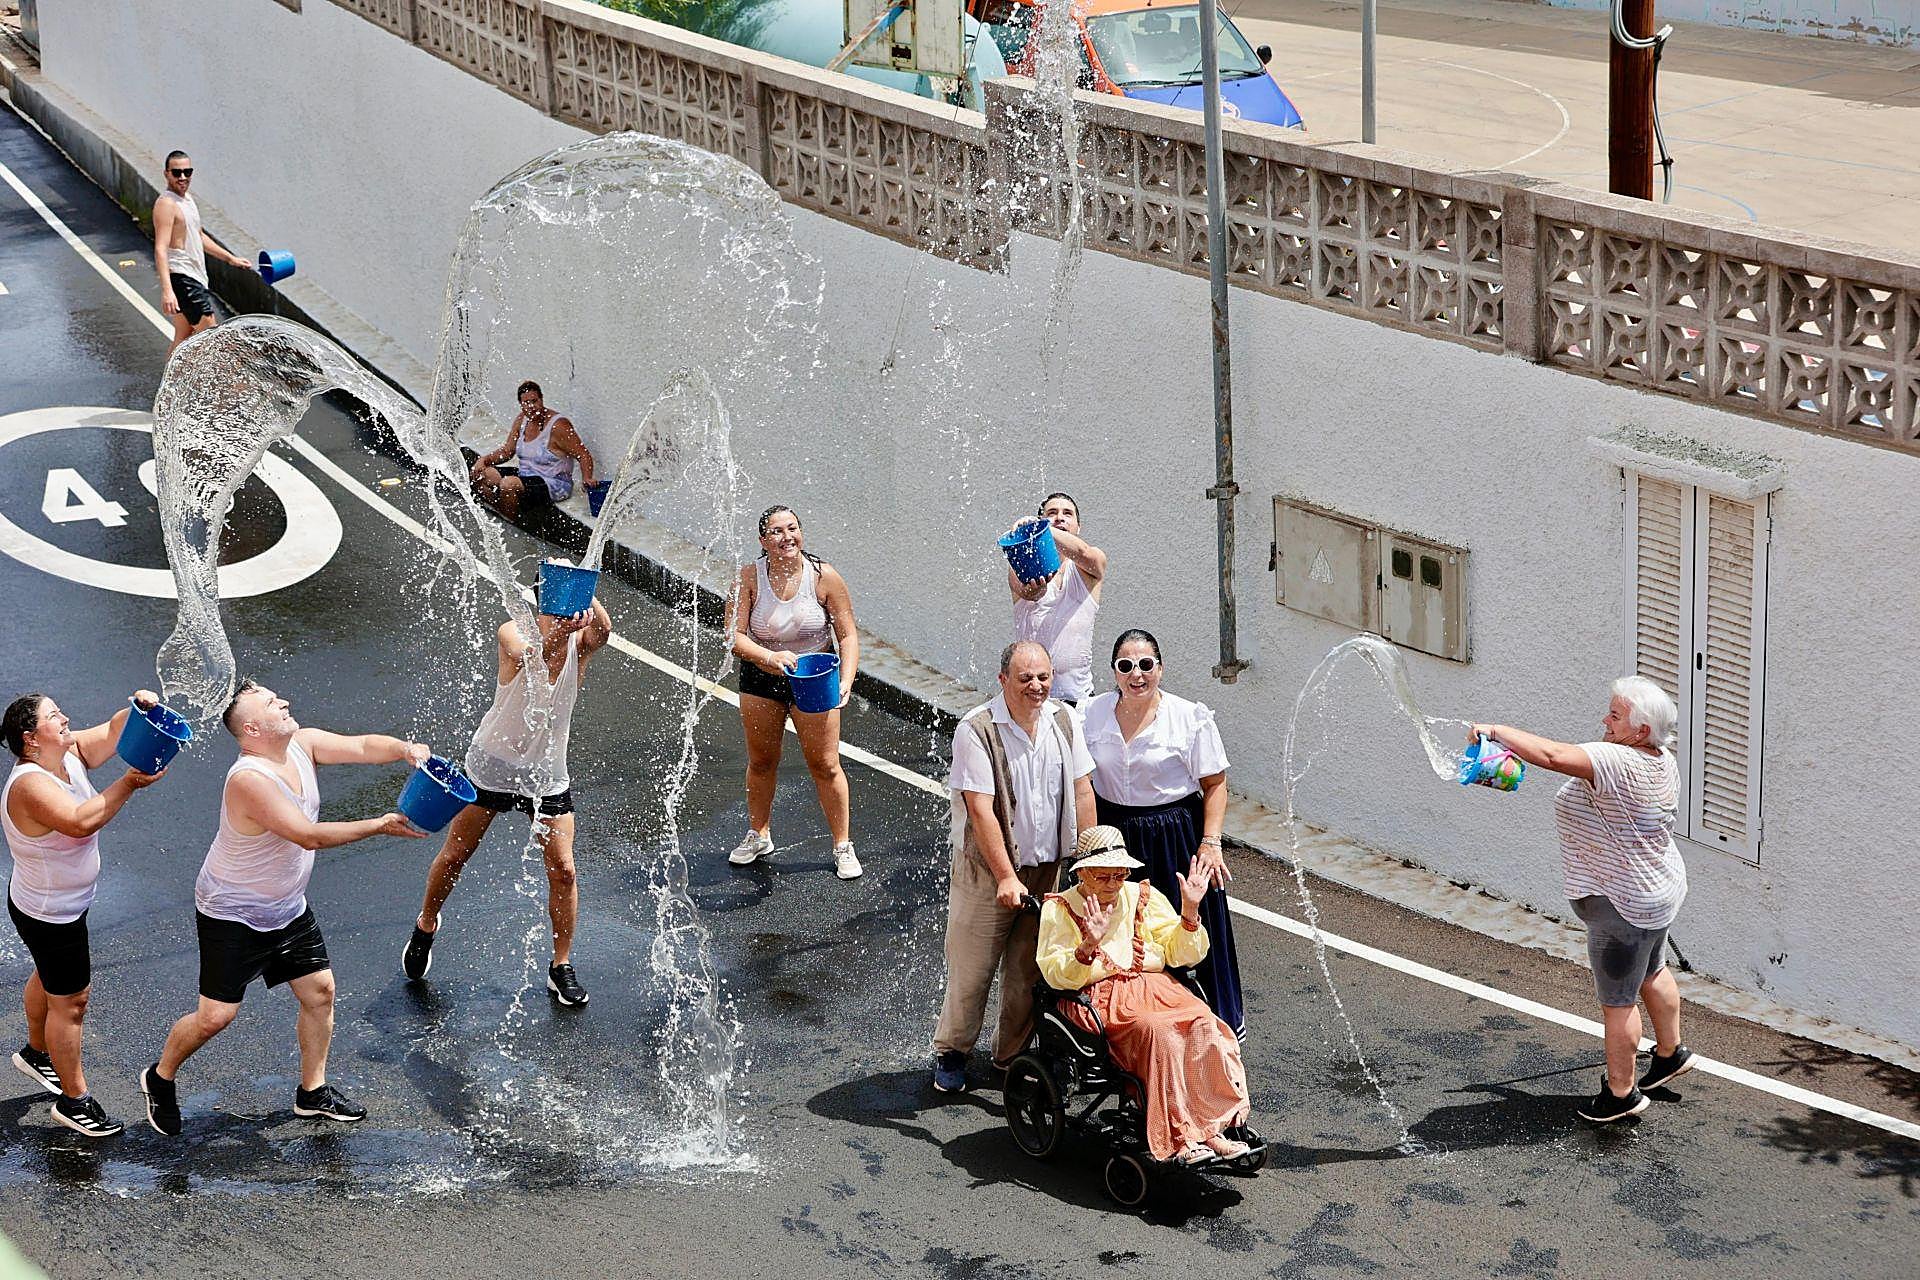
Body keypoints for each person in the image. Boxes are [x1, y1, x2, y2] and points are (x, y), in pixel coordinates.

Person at [140, 682, 427, 1137]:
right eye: (273, 703)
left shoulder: (302, 744)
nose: (286, 702)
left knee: (319, 992)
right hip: (232, 912)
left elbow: (360, 746)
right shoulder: (249, 779)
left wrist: (404, 750)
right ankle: (160, 1077)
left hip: (286, 906)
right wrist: (378, 825)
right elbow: (306, 835)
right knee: (216, 1017)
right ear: (253, 729)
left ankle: (312, 1092)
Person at [1469, 676, 1694, 1124]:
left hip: (1623, 905)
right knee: (1653, 970)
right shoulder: (1661, 759)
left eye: (1615, 715)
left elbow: (1554, 756)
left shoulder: (1618, 760)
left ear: (1641, 730)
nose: (1605, 720)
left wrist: (1495, 732)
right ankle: (1670, 1054)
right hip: (1657, 890)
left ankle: (1621, 1094)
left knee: (1619, 1001)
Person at [403, 598, 612, 1006]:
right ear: (542, 602)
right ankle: (426, 925)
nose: (565, 612)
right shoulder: (513, 631)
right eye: (559, 601)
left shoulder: (579, 644)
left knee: (565, 871)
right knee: (456, 855)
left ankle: (561, 966)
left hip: (545, 775)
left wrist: (588, 590)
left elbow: (603, 631)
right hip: (492, 767)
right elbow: (532, 657)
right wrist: (563, 629)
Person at [931, 640, 1095, 1093]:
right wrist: (1005, 875)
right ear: (1003, 680)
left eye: (1043, 677)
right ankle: (952, 1051)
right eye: (1025, 678)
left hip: (1046, 870)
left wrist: (1091, 860)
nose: (1036, 686)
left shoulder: (1065, 720)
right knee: (972, 970)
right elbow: (981, 810)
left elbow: (1083, 789)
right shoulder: (976, 729)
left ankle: (1010, 1057)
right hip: (988, 872)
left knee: (1028, 972)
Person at [2, 692, 166, 1138]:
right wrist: (128, 784)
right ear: (30, 738)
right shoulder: (30, 785)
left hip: (57, 904)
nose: (66, 718)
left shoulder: (68, 754)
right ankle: (74, 1101)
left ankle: (37, 1053)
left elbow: (115, 730)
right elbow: (79, 821)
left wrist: (140, 710)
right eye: (54, 715)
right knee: (71, 1003)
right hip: (49, 914)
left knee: (51, 977)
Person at [1037, 827, 1251, 1163]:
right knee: (1160, 1032)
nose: (1113, 884)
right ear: (1083, 874)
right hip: (1099, 994)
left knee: (1202, 1022)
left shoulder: (1141, 895)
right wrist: (1088, 945)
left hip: (1155, 986)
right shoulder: (1060, 908)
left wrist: (1190, 912)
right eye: (1103, 876)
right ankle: (1180, 1135)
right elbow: (1054, 972)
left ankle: (1210, 1128)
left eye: (1119, 875)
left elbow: (1182, 955)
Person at [1082, 628, 1243, 1035]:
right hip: (1113, 834)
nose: (1136, 674)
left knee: (1185, 924)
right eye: (1125, 666)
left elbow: (1215, 784)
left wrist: (1211, 843)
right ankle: (1131, 1028)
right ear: (1114, 672)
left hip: (1173, 834)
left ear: (1160, 667)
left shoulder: (1189, 718)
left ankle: (1208, 1028)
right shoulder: (1090, 714)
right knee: (1118, 928)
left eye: (1145, 664)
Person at [724, 505, 863, 881]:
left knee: (825, 764)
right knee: (761, 761)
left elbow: (848, 635)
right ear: (763, 540)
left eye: (792, 528)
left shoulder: (824, 577)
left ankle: (842, 845)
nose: (787, 537)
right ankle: (759, 834)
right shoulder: (749, 578)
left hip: (815, 677)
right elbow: (734, 637)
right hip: (761, 678)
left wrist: (846, 680)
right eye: (776, 531)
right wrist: (770, 657)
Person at [1008, 492, 1106, 706]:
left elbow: (1083, 553)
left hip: (1078, 698)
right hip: (1030, 695)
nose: (1060, 517)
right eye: (1052, 513)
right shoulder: (1023, 562)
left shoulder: (1091, 563)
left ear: (1078, 527)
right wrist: (1037, 588)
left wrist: (1044, 528)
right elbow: (1027, 592)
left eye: (1067, 513)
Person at [152, 150, 253, 356]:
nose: (182, 177)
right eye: (177, 173)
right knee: (213, 339)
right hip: (183, 279)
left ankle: (170, 378)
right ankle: (224, 378)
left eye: (187, 172)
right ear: (166, 174)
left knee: (184, 336)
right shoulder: (166, 204)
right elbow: (160, 248)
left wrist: (230, 258)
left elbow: (198, 235)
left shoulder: (187, 200)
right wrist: (167, 291)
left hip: (194, 276)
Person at [469, 381, 598, 521]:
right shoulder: (522, 420)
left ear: (541, 399)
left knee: (508, 484)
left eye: (534, 401)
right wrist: (483, 460)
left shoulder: (558, 425)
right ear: (520, 404)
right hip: (525, 476)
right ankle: (503, 510)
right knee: (480, 474)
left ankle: (512, 519)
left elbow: (583, 454)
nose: (531, 407)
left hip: (552, 483)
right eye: (526, 403)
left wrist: (587, 478)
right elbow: (507, 451)